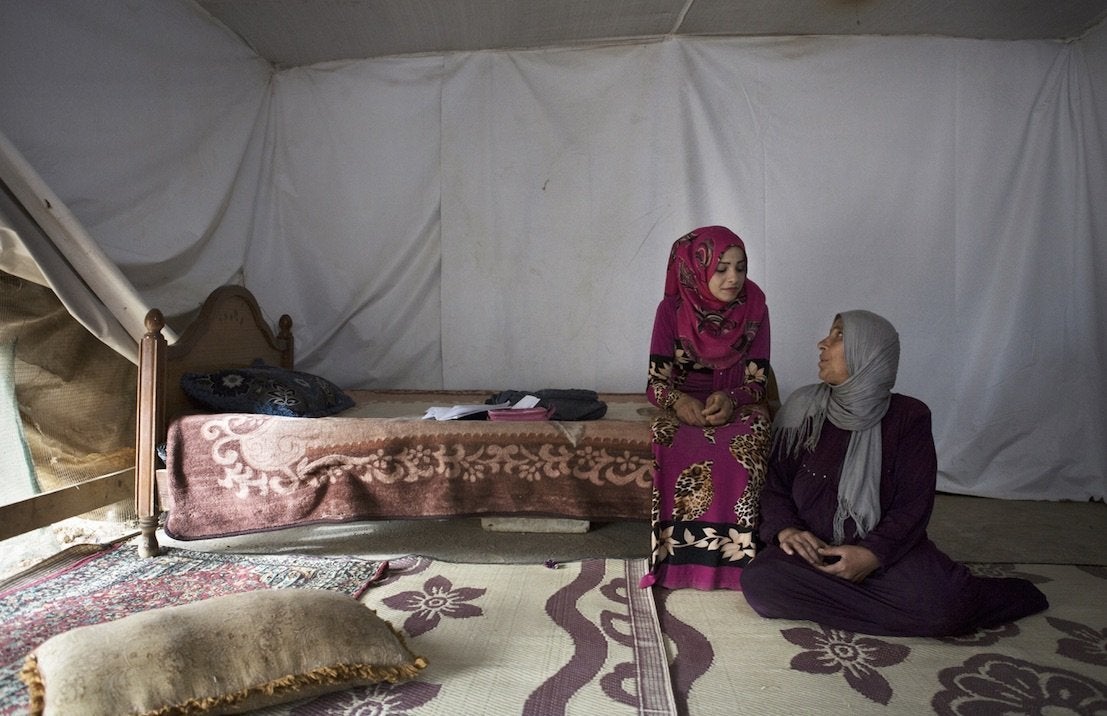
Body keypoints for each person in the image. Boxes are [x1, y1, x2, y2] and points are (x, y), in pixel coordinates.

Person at [740, 310, 1048, 636]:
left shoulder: (908, 417)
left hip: (886, 555)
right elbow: (775, 485)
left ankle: (927, 599)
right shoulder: (804, 407)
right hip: (814, 554)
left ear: (869, 352)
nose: (822, 343)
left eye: (838, 335)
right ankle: (890, 607)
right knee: (760, 583)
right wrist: (786, 530)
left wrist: (871, 555)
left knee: (943, 607)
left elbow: (912, 505)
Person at [640, 226, 773, 591]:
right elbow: (655, 385)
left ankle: (736, 562)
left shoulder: (755, 308)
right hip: (682, 406)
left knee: (750, 437)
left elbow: (758, 382)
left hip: (736, 404)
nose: (734, 278)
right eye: (721, 268)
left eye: (741, 268)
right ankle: (678, 563)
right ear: (698, 270)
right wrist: (679, 401)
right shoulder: (672, 310)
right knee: (669, 438)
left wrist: (733, 399)